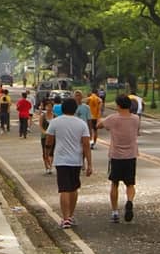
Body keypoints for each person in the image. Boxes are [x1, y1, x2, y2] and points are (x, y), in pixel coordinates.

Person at [45, 96, 92, 228]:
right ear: (75, 109)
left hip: (61, 160)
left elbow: (49, 140)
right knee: (74, 188)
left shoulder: (55, 122)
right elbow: (86, 145)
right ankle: (70, 216)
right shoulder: (81, 124)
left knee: (64, 189)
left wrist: (47, 154)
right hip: (76, 160)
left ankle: (65, 218)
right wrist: (89, 164)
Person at [97, 94, 141, 222]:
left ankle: (115, 212)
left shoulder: (113, 118)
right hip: (131, 155)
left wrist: (99, 115)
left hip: (116, 155)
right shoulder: (135, 119)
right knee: (130, 184)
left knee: (114, 183)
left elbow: (99, 125)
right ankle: (129, 201)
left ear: (118, 105)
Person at [39, 99, 55, 173]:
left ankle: (50, 166)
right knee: (45, 152)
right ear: (45, 107)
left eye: (50, 106)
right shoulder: (43, 115)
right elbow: (40, 126)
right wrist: (45, 132)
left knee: (51, 152)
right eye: (47, 106)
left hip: (53, 137)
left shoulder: (55, 116)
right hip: (44, 136)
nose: (49, 108)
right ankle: (46, 166)